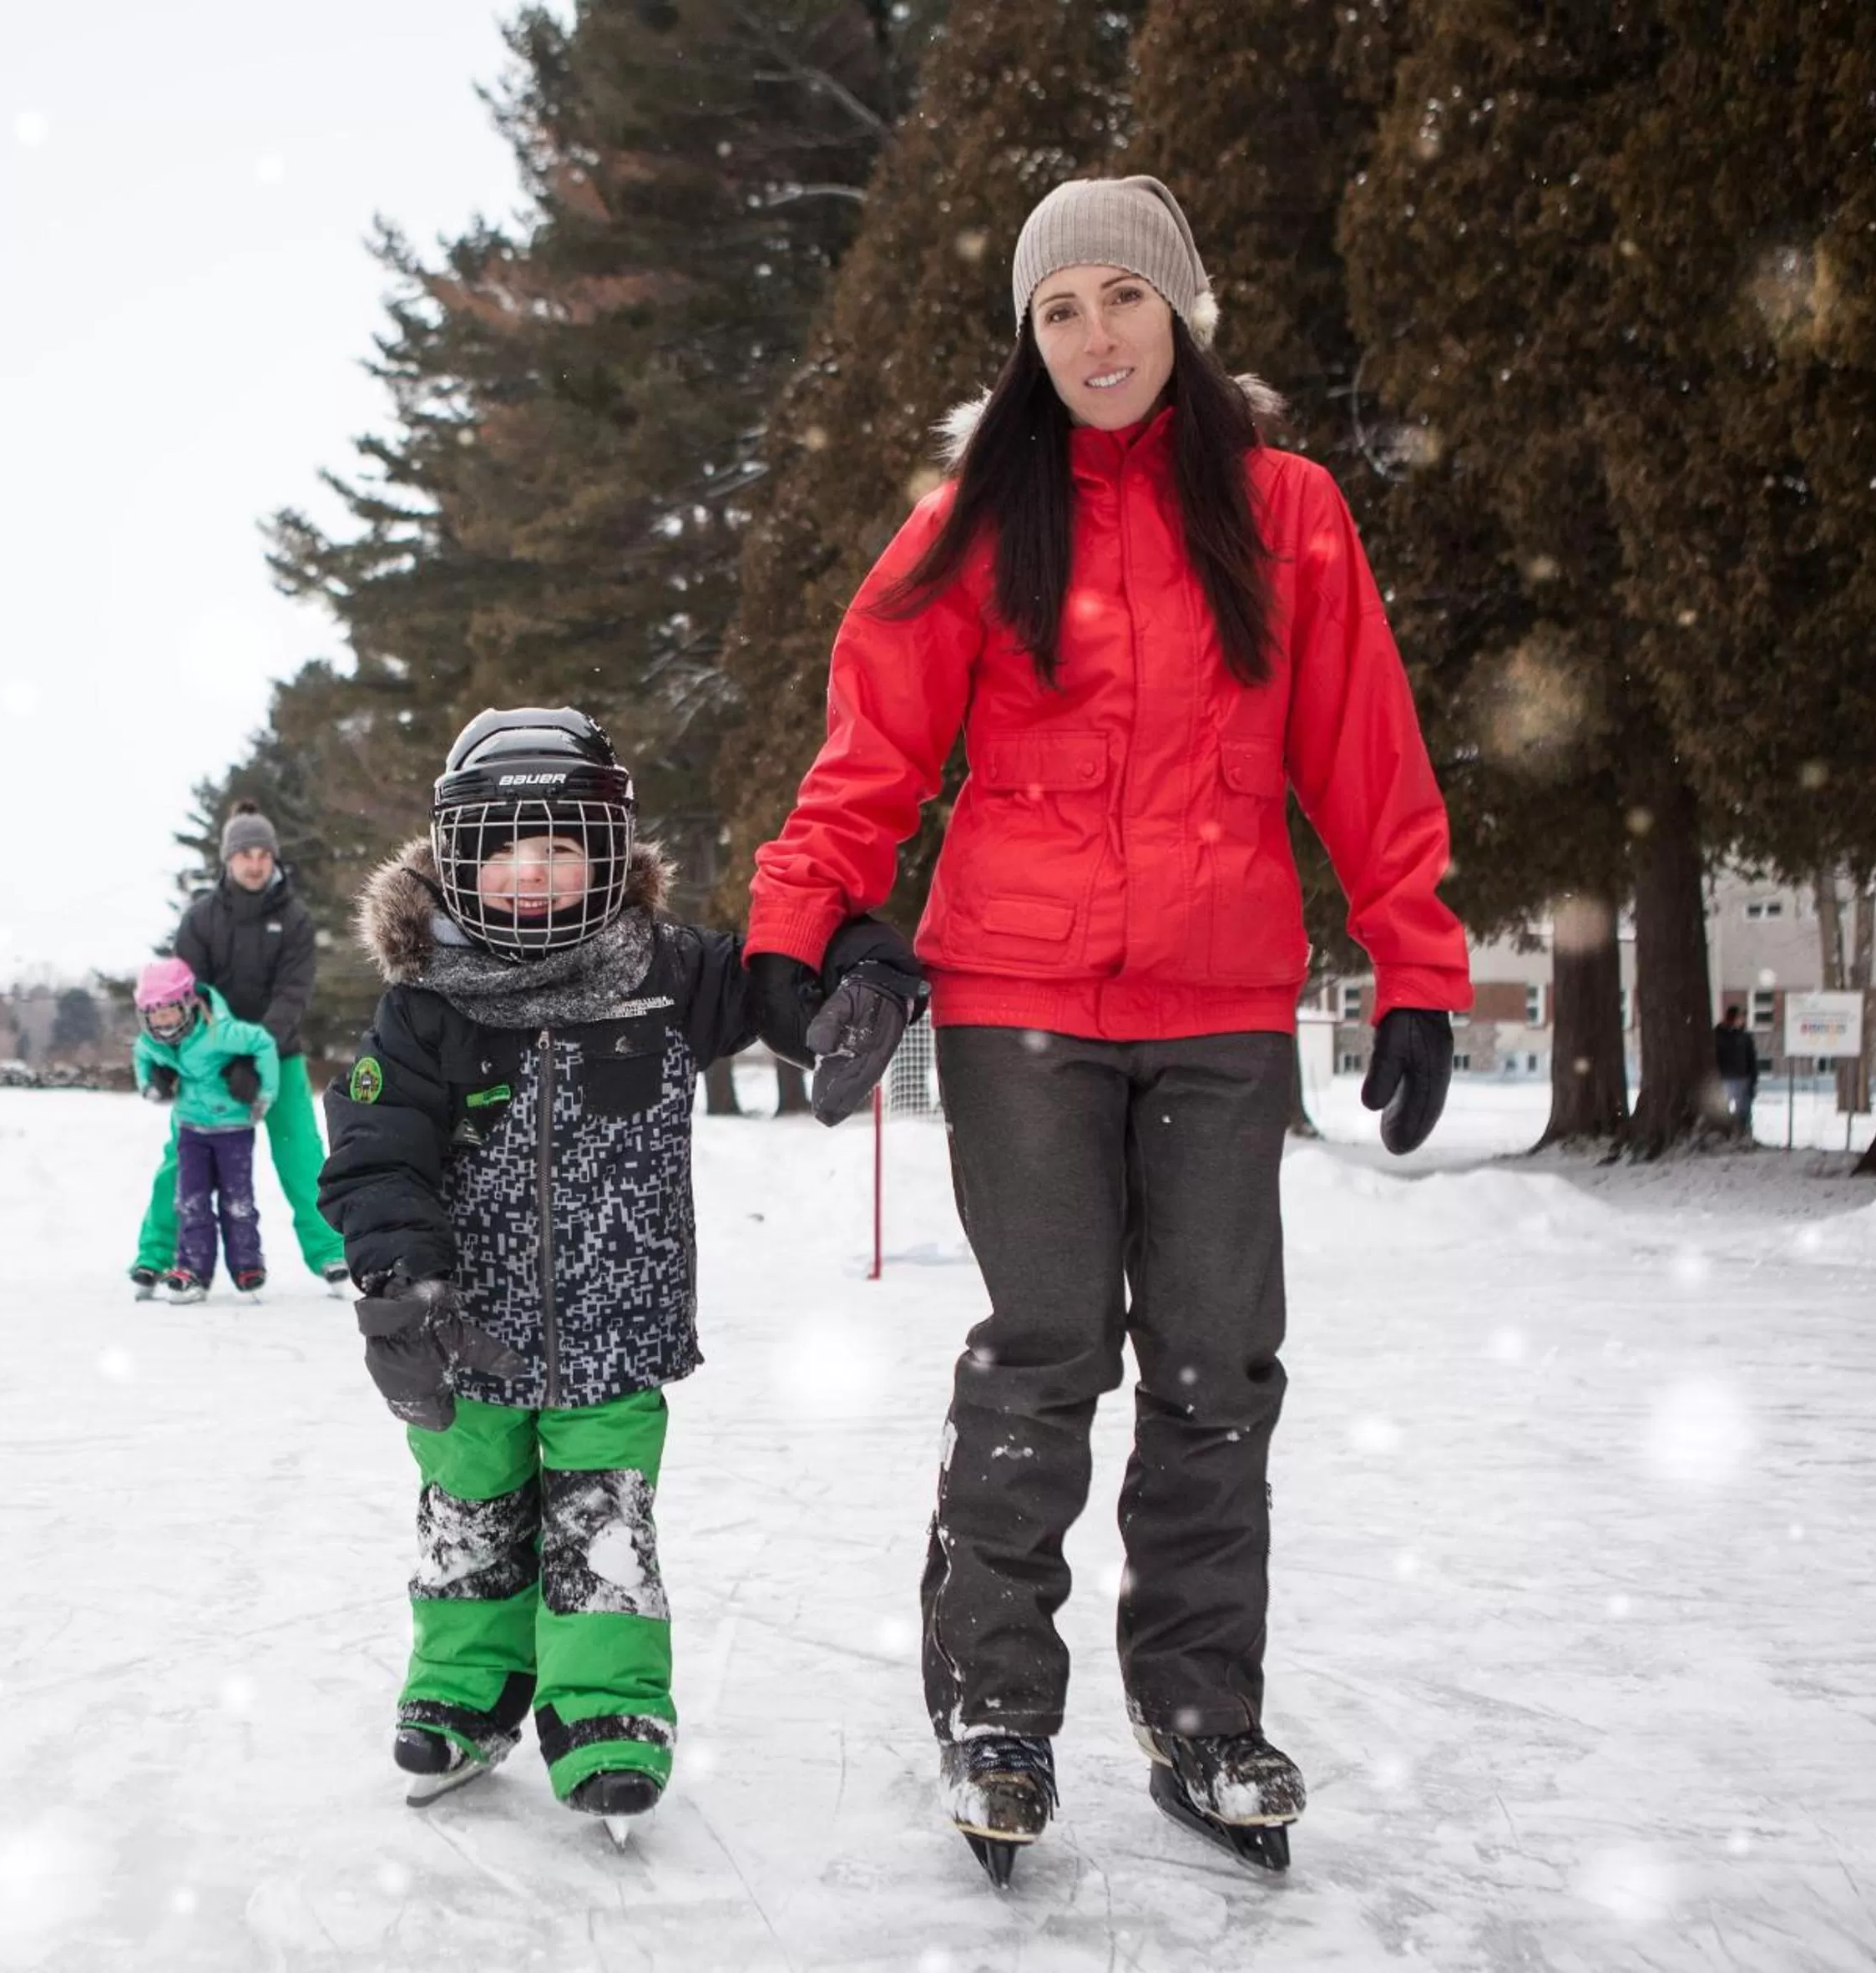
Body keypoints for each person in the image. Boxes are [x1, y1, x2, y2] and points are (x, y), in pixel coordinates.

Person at [741, 175, 1471, 1882]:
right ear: (1029, 338)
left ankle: (1201, 1709)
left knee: (1218, 1366)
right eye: (1058, 310)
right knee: (1047, 1348)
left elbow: (1366, 753)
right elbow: (870, 755)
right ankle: (997, 1704)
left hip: (1221, 1007)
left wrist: (1419, 962)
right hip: (1017, 1005)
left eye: (1120, 301)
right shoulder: (977, 525)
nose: (1093, 336)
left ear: (1183, 312)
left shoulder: (1286, 513)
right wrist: (797, 923)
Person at [317, 707, 920, 1829]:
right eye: (505, 849)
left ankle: (605, 1708)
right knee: (470, 1509)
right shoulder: (425, 1006)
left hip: (617, 1327)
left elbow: (784, 966)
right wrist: (404, 1278)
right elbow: (374, 1149)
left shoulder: (668, 972)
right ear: (457, 857)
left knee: (605, 1521)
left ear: (609, 855)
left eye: (561, 849)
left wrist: (866, 964)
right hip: (466, 1328)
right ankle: (467, 1685)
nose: (533, 875)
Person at [128, 802, 347, 1296]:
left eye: (262, 854)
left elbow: (294, 992)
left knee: (302, 1155)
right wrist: (169, 1065)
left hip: (279, 1054)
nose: (254, 863)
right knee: (182, 1156)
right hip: (206, 1063)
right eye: (244, 854)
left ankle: (331, 1252)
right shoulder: (202, 919)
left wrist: (256, 1053)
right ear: (228, 860)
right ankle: (156, 1254)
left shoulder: (294, 920)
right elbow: (188, 992)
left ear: (274, 859)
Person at [132, 958, 281, 1302]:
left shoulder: (222, 1033)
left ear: (189, 1003)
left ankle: (247, 1265)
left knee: (237, 1200)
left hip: (233, 1129)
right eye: (154, 1016)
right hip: (191, 1131)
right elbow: (141, 1055)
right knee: (191, 1201)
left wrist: (265, 1092)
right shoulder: (153, 1043)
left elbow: (264, 1044)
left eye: (169, 1012)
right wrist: (148, 1084)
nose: (163, 1023)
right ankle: (193, 1270)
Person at [1714, 1004, 1759, 1136]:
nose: (1743, 1021)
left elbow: (1752, 1059)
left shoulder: (1745, 1037)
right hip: (1724, 1079)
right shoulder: (1718, 1035)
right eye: (1741, 1017)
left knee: (1744, 1111)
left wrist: (1753, 1080)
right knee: (1721, 1111)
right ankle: (1725, 1134)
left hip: (1742, 1079)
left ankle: (1744, 1133)